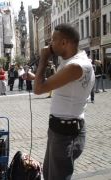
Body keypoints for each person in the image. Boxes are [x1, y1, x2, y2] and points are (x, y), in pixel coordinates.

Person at [24, 24, 95, 180]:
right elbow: (63, 83)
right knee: (50, 175)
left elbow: (38, 89)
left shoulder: (75, 66)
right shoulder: (73, 61)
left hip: (66, 133)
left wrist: (44, 57)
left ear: (64, 43)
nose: (50, 44)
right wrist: (35, 77)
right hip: (61, 129)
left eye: (53, 40)